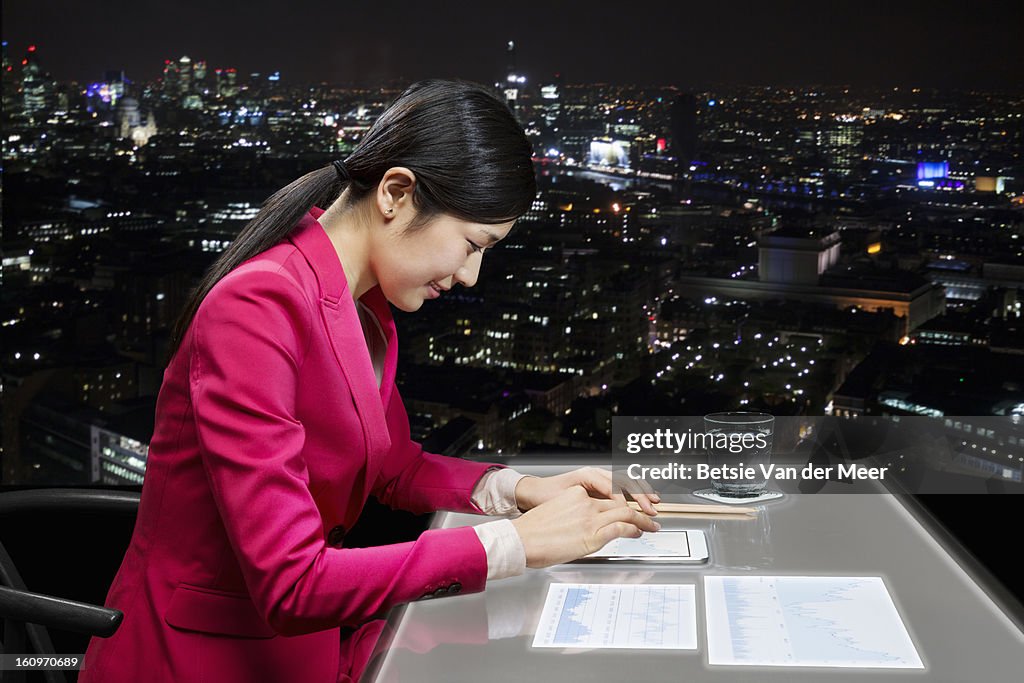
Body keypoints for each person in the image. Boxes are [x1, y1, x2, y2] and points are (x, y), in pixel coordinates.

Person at [79, 80, 660, 683]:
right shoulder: (257, 306)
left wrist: (521, 490)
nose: (470, 276)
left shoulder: (365, 304)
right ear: (396, 193)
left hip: (302, 648)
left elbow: (393, 467)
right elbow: (293, 584)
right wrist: (515, 544)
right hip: (196, 662)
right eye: (470, 244)